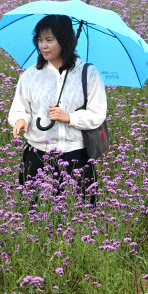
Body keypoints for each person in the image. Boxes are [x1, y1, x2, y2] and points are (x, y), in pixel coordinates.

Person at [8, 14, 107, 204]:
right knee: (34, 214)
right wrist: (20, 120)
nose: (43, 46)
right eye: (39, 40)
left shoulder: (88, 73)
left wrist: (68, 117)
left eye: (49, 40)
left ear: (65, 40)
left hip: (76, 156)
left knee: (79, 214)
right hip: (37, 154)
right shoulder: (30, 75)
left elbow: (97, 114)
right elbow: (20, 107)